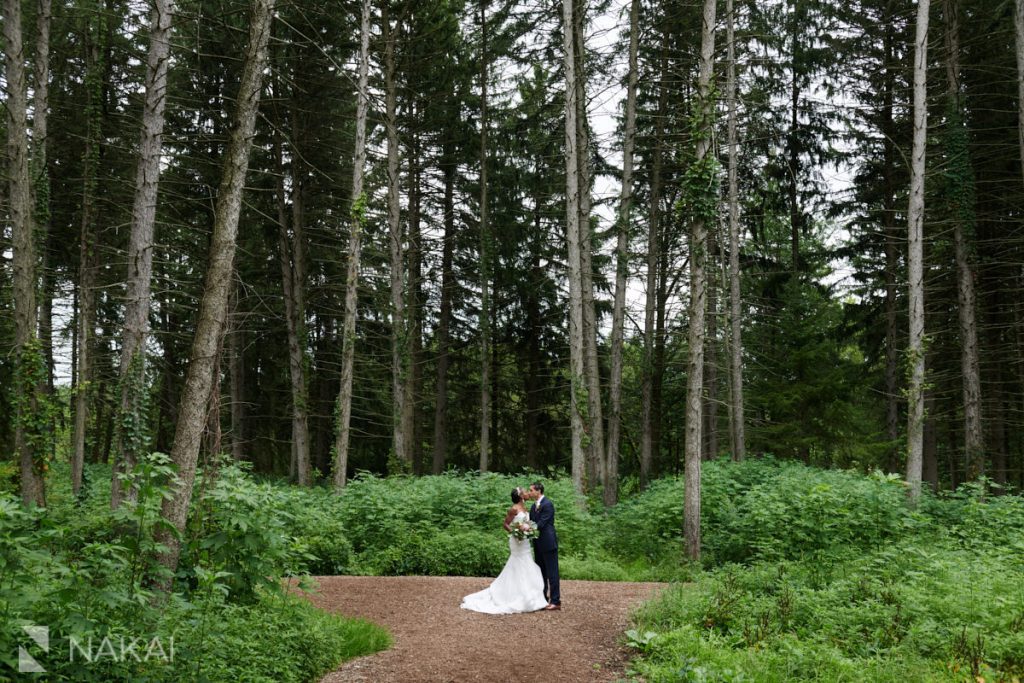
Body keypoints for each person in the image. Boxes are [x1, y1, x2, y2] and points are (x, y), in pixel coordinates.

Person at [460, 487, 548, 614]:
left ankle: (527, 594)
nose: (527, 494)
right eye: (525, 492)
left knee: (526, 562)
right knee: (519, 563)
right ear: (521, 496)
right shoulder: (514, 509)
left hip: (525, 541)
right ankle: (517, 596)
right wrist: (516, 533)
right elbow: (505, 524)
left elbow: (527, 522)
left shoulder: (525, 508)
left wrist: (529, 530)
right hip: (517, 541)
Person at [528, 481, 561, 610]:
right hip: (538, 542)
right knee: (541, 572)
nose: (530, 493)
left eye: (531, 490)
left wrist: (528, 528)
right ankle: (542, 599)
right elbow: (531, 521)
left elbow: (542, 523)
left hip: (548, 542)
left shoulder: (548, 504)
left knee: (552, 572)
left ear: (538, 491)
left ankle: (556, 601)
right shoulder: (532, 506)